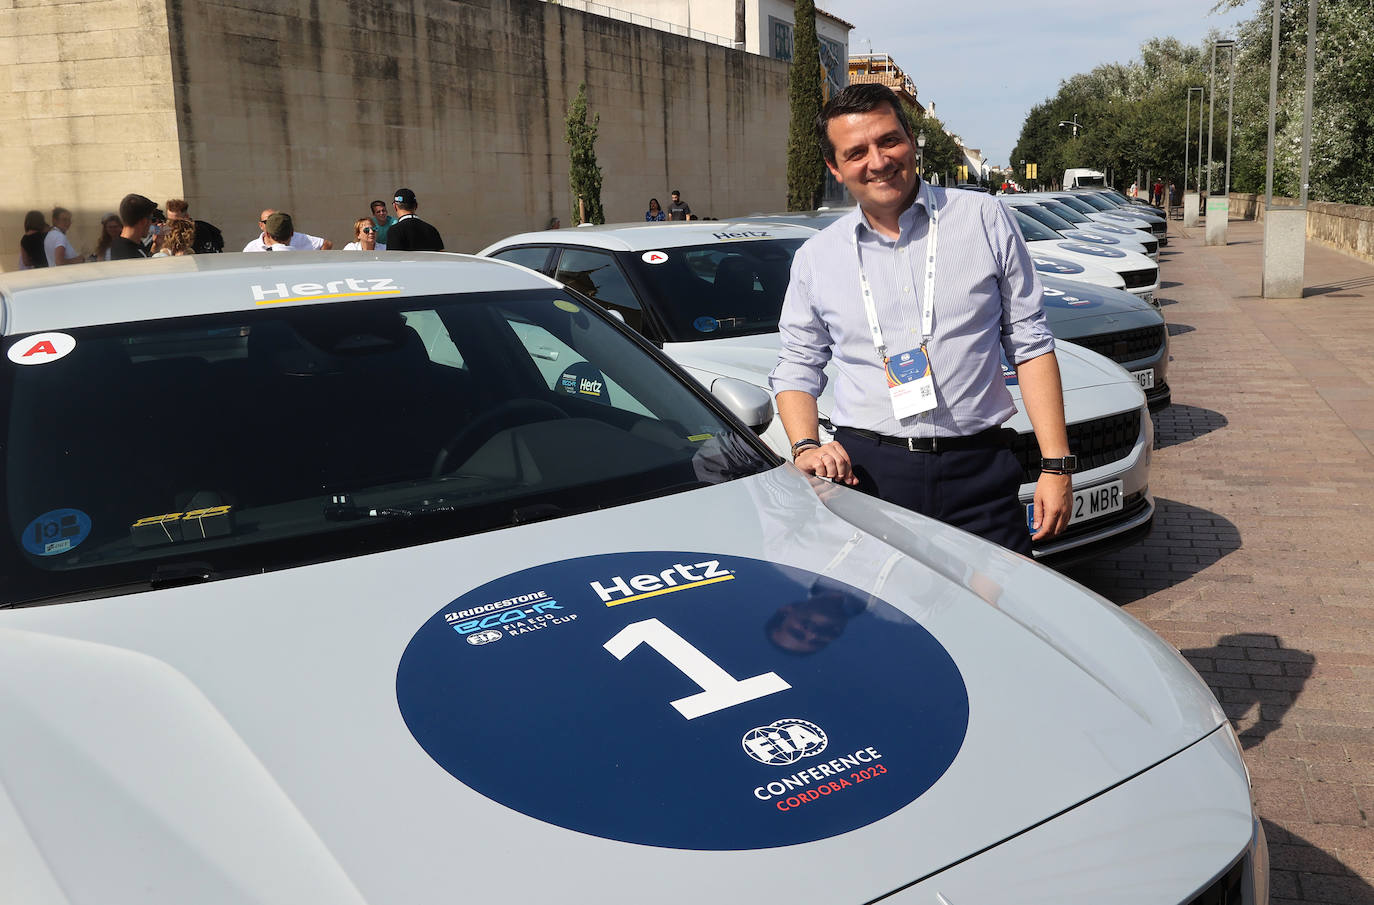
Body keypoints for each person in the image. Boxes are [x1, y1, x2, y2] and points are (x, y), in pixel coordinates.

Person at [769, 83, 1074, 555]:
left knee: (993, 619)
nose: (878, 161)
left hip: (979, 471)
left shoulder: (984, 219)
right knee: (887, 621)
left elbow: (1030, 344)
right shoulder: (816, 258)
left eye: (889, 140)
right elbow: (796, 365)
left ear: (911, 140)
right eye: (856, 152)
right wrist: (805, 445)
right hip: (868, 476)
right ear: (835, 167)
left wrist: (1056, 467)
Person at [243, 208, 331, 251]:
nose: (274, 224)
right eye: (268, 221)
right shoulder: (252, 247)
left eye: (276, 220)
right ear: (261, 225)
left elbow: (326, 244)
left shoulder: (299, 239)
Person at [109, 194, 157, 260]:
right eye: (151, 218)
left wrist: (156, 246)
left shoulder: (131, 244)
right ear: (143, 221)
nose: (152, 223)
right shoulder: (127, 253)